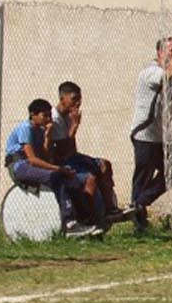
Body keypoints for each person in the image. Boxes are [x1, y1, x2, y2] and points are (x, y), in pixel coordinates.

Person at [129, 24, 172, 233]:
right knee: (143, 175)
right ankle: (138, 219)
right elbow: (170, 72)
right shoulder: (151, 72)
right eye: (169, 50)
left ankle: (139, 204)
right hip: (145, 133)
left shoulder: (171, 65)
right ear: (159, 53)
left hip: (162, 134)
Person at [4, 99, 100, 237]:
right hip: (21, 167)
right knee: (55, 177)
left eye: (50, 115)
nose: (48, 119)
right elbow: (32, 159)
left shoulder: (39, 130)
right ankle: (69, 223)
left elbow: (45, 157)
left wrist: (47, 136)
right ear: (33, 114)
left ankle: (84, 220)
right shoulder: (26, 128)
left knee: (72, 180)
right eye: (45, 115)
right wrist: (57, 169)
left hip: (31, 165)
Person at [51, 80, 124, 227]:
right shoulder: (55, 119)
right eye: (74, 99)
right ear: (62, 98)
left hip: (71, 157)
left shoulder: (68, 117)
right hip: (61, 161)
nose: (77, 103)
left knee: (104, 165)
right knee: (89, 179)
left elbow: (72, 149)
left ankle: (110, 209)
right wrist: (75, 125)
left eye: (79, 99)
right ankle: (90, 220)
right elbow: (63, 151)